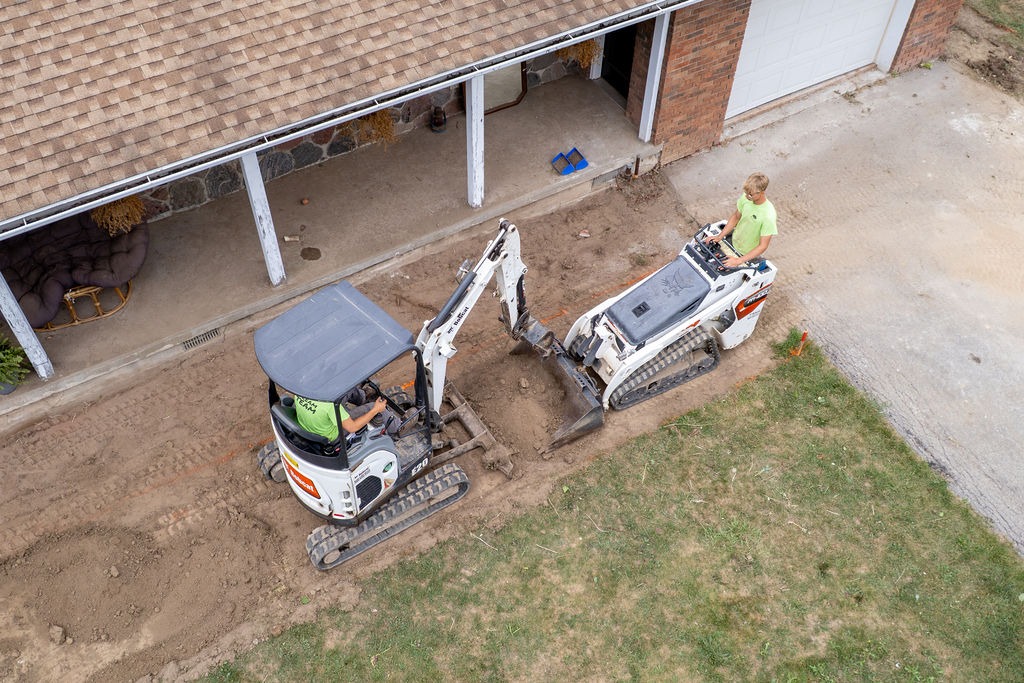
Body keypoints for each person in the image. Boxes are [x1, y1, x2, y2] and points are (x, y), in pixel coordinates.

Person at [704, 172, 777, 268]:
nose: (747, 196)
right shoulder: (746, 198)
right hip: (733, 240)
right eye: (746, 193)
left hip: (746, 254)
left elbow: (763, 246)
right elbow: (736, 217)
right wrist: (719, 237)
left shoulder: (768, 215)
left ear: (762, 192)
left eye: (750, 194)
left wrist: (738, 261)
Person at [294, 386, 398, 442]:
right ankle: (398, 429)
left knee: (347, 388)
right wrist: (376, 409)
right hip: (334, 435)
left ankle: (362, 397)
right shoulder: (330, 405)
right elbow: (352, 427)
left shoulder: (300, 391)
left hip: (314, 424)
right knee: (371, 407)